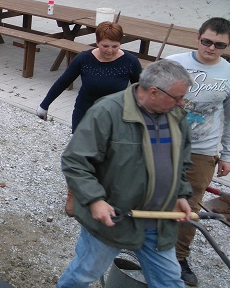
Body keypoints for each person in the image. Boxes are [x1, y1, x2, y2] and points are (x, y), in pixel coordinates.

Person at [56, 59, 193, 288]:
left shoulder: (176, 117)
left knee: (169, 282)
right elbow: (76, 161)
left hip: (158, 223)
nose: (182, 103)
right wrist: (95, 200)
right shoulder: (107, 111)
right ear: (153, 92)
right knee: (82, 275)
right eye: (177, 97)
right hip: (114, 221)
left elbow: (181, 163)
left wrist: (180, 194)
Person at [39, 22, 143, 216]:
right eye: (105, 46)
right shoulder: (84, 59)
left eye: (115, 46)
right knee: (80, 157)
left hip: (115, 117)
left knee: (110, 157)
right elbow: (63, 81)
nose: (110, 51)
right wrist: (44, 105)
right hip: (85, 113)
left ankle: (103, 195)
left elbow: (141, 90)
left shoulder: (130, 61)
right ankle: (73, 193)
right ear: (96, 42)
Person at [166, 16, 230, 286]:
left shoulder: (228, 73)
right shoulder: (174, 63)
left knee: (189, 207)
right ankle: (142, 244)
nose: (212, 48)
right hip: (164, 143)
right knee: (153, 195)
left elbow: (229, 115)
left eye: (219, 45)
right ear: (198, 37)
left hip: (203, 149)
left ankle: (179, 257)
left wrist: (226, 154)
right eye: (207, 41)